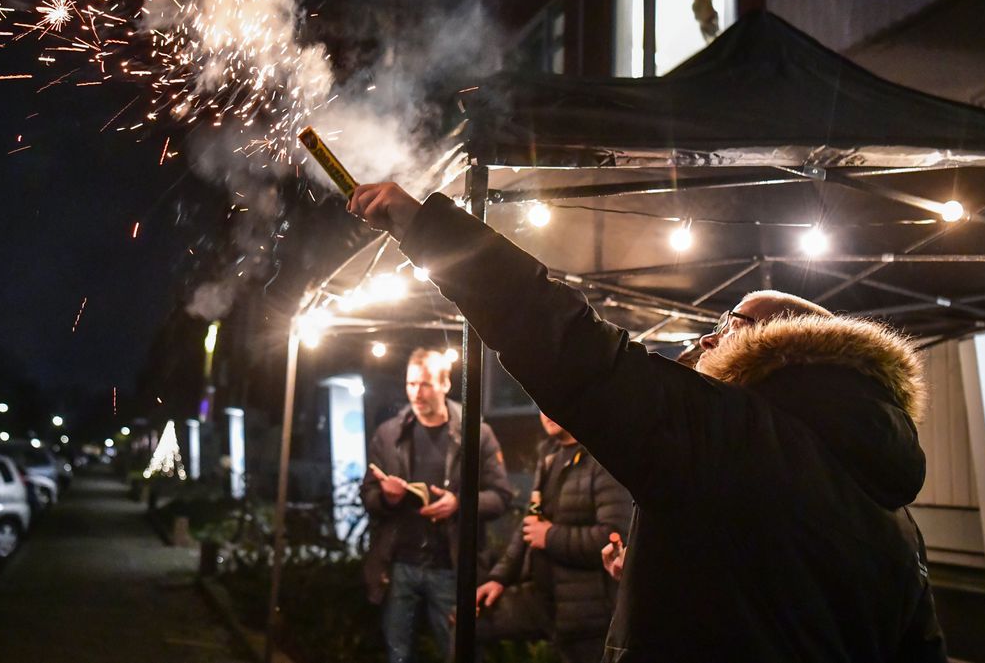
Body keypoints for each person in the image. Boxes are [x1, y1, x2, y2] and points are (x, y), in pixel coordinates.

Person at [349, 183, 946, 662]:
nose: (709, 336)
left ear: (779, 354)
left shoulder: (733, 436)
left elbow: (570, 346)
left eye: (732, 324)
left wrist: (428, 230)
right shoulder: (896, 524)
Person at [361, 347, 514, 663]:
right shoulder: (389, 434)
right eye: (411, 384)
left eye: (426, 384)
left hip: (451, 566)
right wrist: (387, 498)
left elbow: (501, 496)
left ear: (445, 384)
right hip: (399, 564)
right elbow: (368, 496)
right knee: (398, 653)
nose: (417, 393)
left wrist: (459, 503)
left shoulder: (476, 433)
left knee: (458, 651)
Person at [476, 412, 632, 663]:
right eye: (540, 405)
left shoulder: (603, 458)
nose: (546, 412)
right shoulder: (549, 455)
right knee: (468, 619)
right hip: (544, 598)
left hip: (587, 610)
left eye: (552, 403)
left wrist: (550, 536)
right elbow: (530, 524)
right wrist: (499, 578)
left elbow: (613, 536)